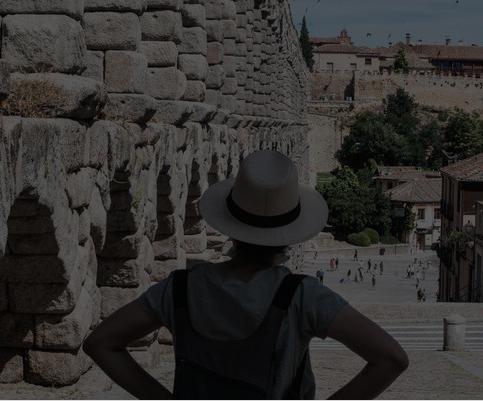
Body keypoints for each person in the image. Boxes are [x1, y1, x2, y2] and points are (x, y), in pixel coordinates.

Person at [83, 150, 408, 400]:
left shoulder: (180, 288)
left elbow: (101, 343)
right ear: (289, 237)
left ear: (231, 227)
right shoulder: (303, 296)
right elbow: (391, 359)